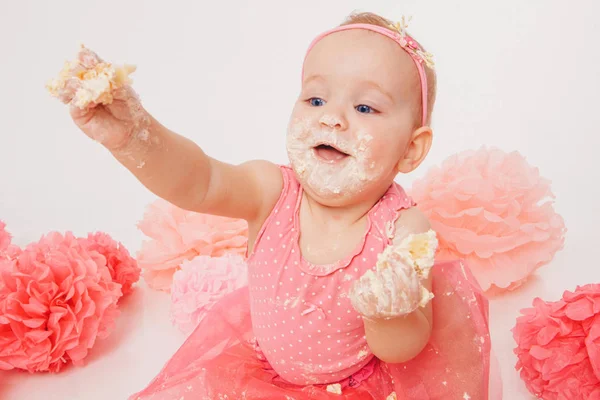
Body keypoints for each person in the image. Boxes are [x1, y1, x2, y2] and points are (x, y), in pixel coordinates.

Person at [50, 10, 500, 400]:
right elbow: (198, 180)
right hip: (261, 373)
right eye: (316, 98)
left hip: (358, 386)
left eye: (365, 108)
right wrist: (135, 136)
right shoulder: (271, 191)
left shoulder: (404, 230)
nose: (332, 116)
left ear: (411, 150)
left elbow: (402, 348)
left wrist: (391, 311)